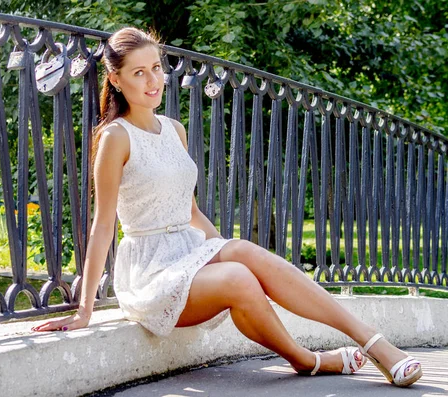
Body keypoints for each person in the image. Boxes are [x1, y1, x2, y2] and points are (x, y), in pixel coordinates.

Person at [31, 27, 422, 387]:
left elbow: (190, 211)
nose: (153, 82)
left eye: (156, 68)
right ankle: (307, 360)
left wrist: (220, 249)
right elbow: (103, 226)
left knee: (239, 254)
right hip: (151, 271)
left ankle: (374, 342)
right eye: (138, 73)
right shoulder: (116, 136)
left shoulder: (173, 129)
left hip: (186, 251)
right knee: (237, 274)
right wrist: (84, 310)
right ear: (115, 79)